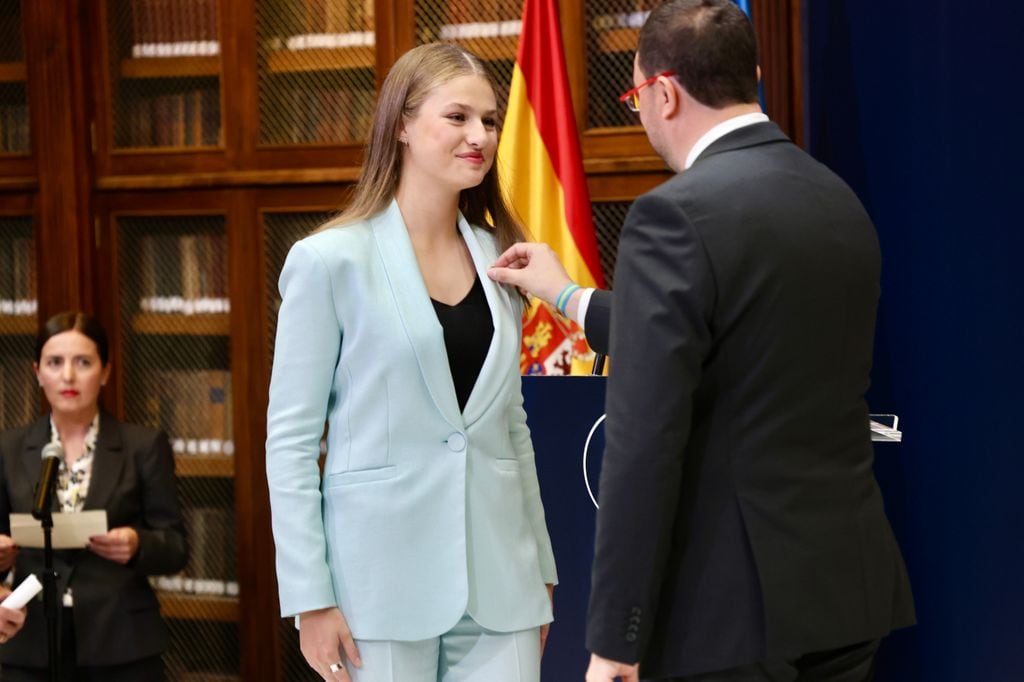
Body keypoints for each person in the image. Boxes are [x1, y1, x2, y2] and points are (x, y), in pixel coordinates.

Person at [489, 1, 914, 680]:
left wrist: (613, 640)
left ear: (663, 93)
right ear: (753, 74)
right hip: (846, 595)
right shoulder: (836, 197)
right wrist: (568, 296)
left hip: (731, 623)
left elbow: (643, 442)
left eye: (633, 95)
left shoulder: (674, 215)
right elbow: (740, 342)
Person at [265, 42, 557, 682]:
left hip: (502, 582)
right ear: (401, 123)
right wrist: (310, 597)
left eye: (489, 120)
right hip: (378, 584)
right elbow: (289, 443)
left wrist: (541, 571)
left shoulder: (502, 260)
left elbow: (512, 427)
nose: (479, 135)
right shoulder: (329, 260)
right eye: (458, 117)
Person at [0, 311, 187, 681]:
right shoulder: (8, 447)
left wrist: (138, 544)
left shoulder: (143, 446)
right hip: (28, 639)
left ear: (105, 372)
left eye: (83, 362)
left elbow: (177, 546)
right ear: (37, 372)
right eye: (55, 363)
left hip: (122, 642)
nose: (68, 376)